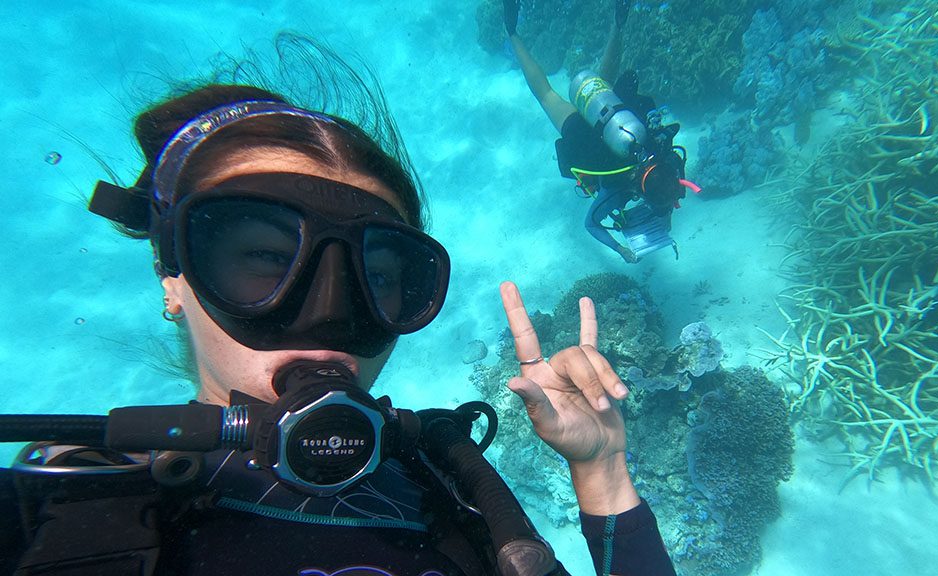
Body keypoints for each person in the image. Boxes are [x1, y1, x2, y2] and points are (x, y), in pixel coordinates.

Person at [0, 51, 676, 575]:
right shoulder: (57, 504)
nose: (329, 315)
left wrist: (603, 471)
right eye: (267, 257)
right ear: (174, 275)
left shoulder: (455, 492)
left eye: (377, 274)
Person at [503, 0, 698, 263]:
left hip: (616, 120)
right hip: (586, 142)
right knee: (547, 95)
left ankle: (617, 24)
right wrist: (622, 250)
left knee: (602, 90)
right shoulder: (620, 187)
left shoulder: (661, 155)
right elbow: (591, 224)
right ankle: (512, 32)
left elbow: (667, 188)